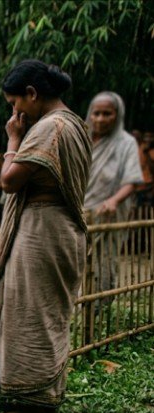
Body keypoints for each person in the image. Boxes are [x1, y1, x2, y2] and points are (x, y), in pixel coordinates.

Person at [0, 59, 91, 413]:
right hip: (55, 230)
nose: (14, 112)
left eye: (16, 103)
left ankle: (35, 408)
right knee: (40, 312)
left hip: (44, 231)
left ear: (32, 93)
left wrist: (13, 139)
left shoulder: (51, 128)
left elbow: (9, 180)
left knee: (35, 313)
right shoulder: (74, 123)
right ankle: (34, 397)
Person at [83, 92, 144, 294]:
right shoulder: (81, 139)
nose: (100, 119)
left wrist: (114, 200)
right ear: (90, 115)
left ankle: (98, 304)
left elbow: (132, 180)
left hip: (107, 214)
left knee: (104, 259)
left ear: (117, 115)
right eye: (96, 113)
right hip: (79, 212)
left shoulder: (126, 143)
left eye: (106, 114)